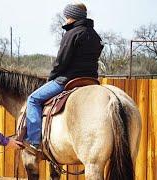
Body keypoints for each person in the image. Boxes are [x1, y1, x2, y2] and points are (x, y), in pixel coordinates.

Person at [23, 1, 104, 151]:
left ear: (73, 16)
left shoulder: (71, 33)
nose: (65, 20)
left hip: (68, 80)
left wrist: (51, 77)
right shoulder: (95, 35)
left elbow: (61, 62)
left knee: (33, 99)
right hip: (91, 80)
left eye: (67, 16)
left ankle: (34, 142)